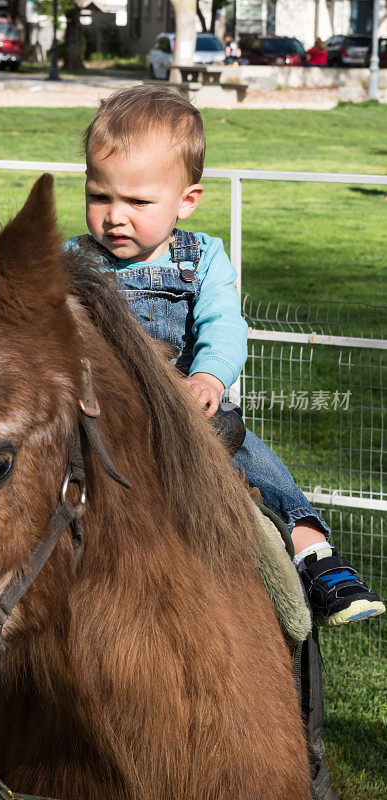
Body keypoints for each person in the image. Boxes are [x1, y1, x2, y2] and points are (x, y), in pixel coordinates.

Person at [68, 84, 385, 627]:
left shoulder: (202, 258)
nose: (115, 217)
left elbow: (224, 324)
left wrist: (209, 378)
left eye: (138, 202)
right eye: (101, 197)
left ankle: (312, 550)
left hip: (183, 407)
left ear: (186, 201)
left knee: (246, 452)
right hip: (96, 410)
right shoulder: (74, 258)